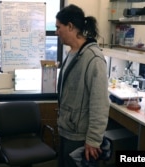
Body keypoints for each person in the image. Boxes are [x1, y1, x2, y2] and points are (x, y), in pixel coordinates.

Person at [55, 4, 110, 167]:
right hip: (66, 130)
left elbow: (100, 104)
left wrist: (93, 140)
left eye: (58, 27)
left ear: (70, 26)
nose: (56, 32)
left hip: (80, 137)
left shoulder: (93, 59)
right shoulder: (72, 53)